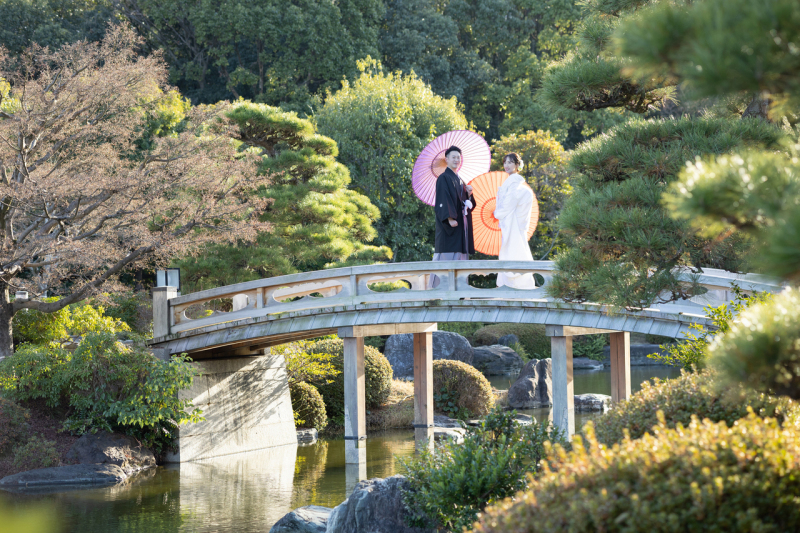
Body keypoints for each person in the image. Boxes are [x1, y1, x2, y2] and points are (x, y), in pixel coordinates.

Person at [429, 145, 477, 288]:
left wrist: (469, 194)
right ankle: (440, 289)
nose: (457, 160)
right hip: (450, 226)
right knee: (447, 257)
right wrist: (449, 218)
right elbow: (443, 200)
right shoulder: (444, 178)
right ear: (447, 159)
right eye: (454, 157)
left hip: (461, 226)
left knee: (460, 257)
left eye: (458, 157)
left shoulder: (460, 179)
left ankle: (460, 290)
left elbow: (466, 204)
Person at [494, 153, 536, 289]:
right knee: (514, 250)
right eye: (505, 162)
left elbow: (508, 205)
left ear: (517, 165)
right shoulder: (514, 182)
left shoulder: (514, 183)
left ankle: (515, 285)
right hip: (513, 224)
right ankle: (516, 284)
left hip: (514, 225)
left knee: (513, 250)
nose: (506, 165)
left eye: (510, 162)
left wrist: (497, 212)